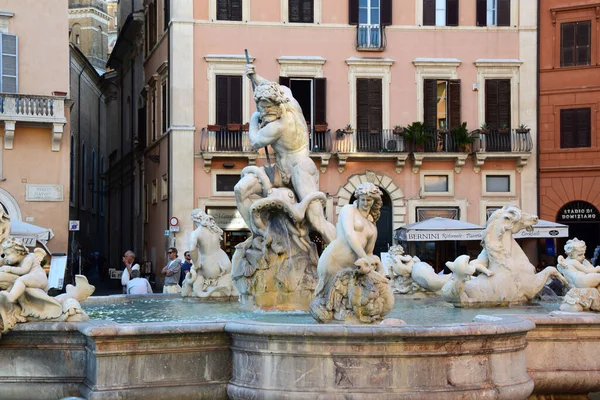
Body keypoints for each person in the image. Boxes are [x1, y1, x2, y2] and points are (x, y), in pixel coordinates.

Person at [233, 64, 336, 244]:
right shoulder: (286, 95)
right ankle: (262, 236)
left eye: (268, 109)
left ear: (277, 104)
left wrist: (254, 119)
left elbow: (255, 142)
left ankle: (342, 254)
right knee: (240, 190)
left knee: (317, 220)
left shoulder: (278, 126)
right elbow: (271, 85)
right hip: (279, 171)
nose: (264, 113)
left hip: (300, 169)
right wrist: (256, 77)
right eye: (262, 108)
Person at [314, 182, 385, 298]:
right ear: (358, 198)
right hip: (333, 260)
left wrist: (373, 263)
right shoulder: (349, 210)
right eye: (363, 199)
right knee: (326, 301)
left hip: (352, 268)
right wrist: (365, 258)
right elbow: (349, 234)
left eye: (369, 200)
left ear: (374, 201)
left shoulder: (372, 227)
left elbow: (369, 253)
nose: (365, 203)